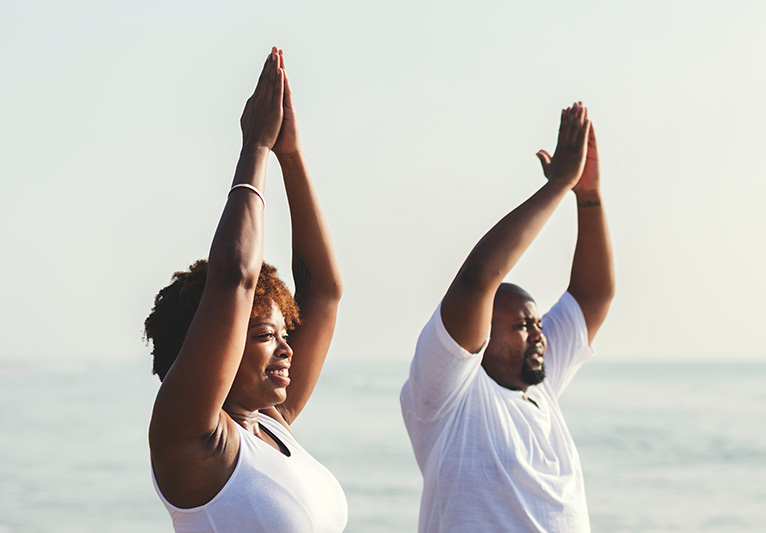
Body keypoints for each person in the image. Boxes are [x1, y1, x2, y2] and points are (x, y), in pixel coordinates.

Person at [143, 48, 347, 532]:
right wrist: (254, 148)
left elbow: (323, 291)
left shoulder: (273, 421)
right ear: (213, 342)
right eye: (263, 335)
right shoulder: (192, 441)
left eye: (283, 333)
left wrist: (291, 155)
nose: (286, 349)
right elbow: (234, 276)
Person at [400, 102, 614, 532]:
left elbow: (593, 295)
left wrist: (588, 196)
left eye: (536, 323)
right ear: (480, 338)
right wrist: (557, 187)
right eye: (521, 326)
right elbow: (478, 279)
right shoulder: (448, 396)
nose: (538, 334)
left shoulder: (541, 385)